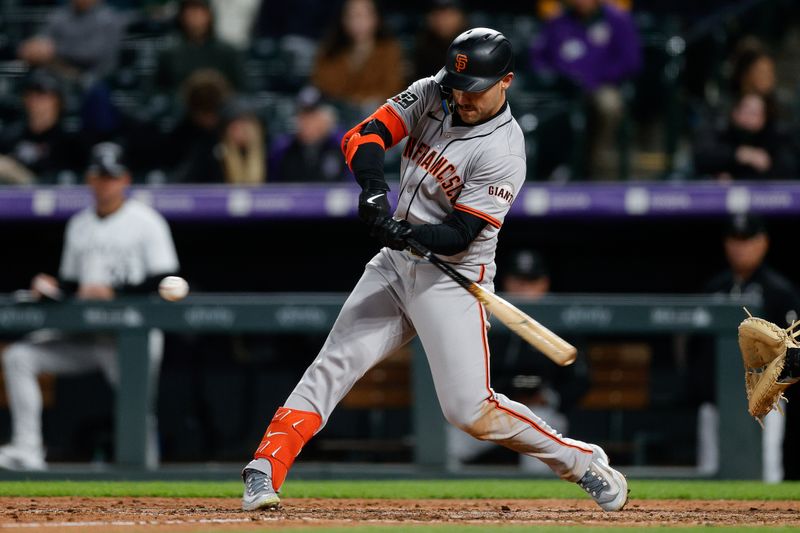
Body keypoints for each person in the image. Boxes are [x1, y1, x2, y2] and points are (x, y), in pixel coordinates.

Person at [240, 27, 628, 513]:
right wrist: (374, 192)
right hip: (396, 263)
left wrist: (412, 233)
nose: (462, 98)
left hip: (452, 278)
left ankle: (580, 460)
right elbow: (364, 135)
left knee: (468, 409)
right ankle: (264, 468)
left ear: (505, 81)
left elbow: (462, 232)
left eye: (475, 90)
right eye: (457, 86)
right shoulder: (433, 91)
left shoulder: (504, 152)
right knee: (335, 363)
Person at [0, 142, 179, 471]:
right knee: (18, 356)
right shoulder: (79, 224)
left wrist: (116, 292)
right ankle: (27, 448)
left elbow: (167, 278)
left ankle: (145, 465)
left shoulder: (147, 221)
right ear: (89, 180)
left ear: (124, 179)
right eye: (98, 176)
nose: (104, 184)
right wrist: (53, 286)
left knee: (137, 407)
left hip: (130, 339)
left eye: (110, 177)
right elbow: (72, 281)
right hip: (84, 336)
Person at [447, 250, 590, 473]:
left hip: (540, 411)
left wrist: (551, 397)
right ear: (507, 281)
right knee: (449, 445)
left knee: (541, 458)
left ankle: (534, 508)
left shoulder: (561, 320)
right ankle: (444, 505)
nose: (524, 288)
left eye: (531, 281)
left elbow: (580, 379)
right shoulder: (486, 315)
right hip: (491, 408)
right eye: (519, 280)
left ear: (544, 283)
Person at [691, 214, 800, 481]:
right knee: (709, 476)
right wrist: (703, 388)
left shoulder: (779, 291)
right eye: (735, 240)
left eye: (748, 240)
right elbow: (695, 348)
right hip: (716, 403)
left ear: (763, 243)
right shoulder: (714, 288)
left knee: (766, 475)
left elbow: (794, 351)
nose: (741, 247)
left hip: (763, 405)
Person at [530, 0, 641, 179]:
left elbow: (630, 61)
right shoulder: (557, 21)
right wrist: (556, 77)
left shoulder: (617, 19)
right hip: (563, 91)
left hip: (602, 85)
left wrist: (596, 77)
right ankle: (552, 167)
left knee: (609, 105)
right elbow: (539, 59)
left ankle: (595, 163)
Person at [311, 0, 407, 111]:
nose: (357, 22)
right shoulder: (330, 49)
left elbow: (391, 88)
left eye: (363, 15)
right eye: (352, 16)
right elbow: (322, 85)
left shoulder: (390, 50)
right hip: (336, 113)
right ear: (343, 20)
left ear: (376, 18)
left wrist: (359, 101)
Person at [0, 69, 81, 185]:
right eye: (31, 95)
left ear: (58, 101)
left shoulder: (70, 141)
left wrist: (18, 174)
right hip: (14, 201)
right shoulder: (10, 137)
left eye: (43, 95)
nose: (36, 102)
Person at [17, 0, 127, 85]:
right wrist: (33, 48)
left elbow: (92, 54)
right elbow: (42, 40)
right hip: (59, 76)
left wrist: (54, 50)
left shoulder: (109, 19)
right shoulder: (60, 15)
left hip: (96, 80)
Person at [692, 93, 796, 181]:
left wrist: (764, 165)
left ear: (764, 119)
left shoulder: (774, 138)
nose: (749, 118)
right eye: (746, 111)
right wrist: (738, 154)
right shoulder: (723, 131)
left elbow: (788, 170)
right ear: (735, 113)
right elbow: (702, 158)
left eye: (755, 113)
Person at [155, 0, 246, 93]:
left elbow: (240, 92)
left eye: (200, 12)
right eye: (190, 12)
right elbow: (161, 94)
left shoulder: (229, 53)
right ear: (181, 16)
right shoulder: (168, 55)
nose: (195, 17)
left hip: (221, 106)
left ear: (210, 15)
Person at [268, 86, 350, 183]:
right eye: (303, 116)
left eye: (313, 117)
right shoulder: (283, 149)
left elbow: (354, 188)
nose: (307, 123)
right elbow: (272, 188)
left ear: (327, 119)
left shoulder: (342, 147)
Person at [412, 0, 468, 81]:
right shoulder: (422, 47)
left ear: (461, 16)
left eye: (449, 15)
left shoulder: (474, 46)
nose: (443, 21)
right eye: (437, 15)